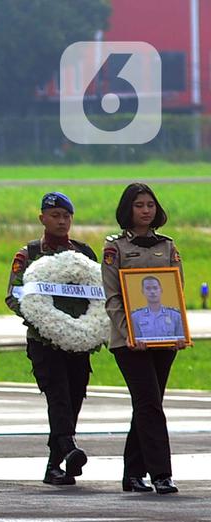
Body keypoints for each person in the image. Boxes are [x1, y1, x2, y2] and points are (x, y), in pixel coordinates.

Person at [5, 192, 97, 486]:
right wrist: (45, 322)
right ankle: (67, 448)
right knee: (58, 397)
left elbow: (99, 293)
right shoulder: (29, 254)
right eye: (55, 216)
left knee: (75, 396)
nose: (61, 221)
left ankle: (55, 463)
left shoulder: (84, 254)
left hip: (79, 339)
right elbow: (14, 296)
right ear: (42, 218)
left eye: (66, 216)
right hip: (44, 342)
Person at [102, 182, 184, 495]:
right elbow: (112, 298)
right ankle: (161, 473)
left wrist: (179, 331)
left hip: (164, 337)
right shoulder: (115, 248)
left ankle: (133, 474)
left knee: (149, 404)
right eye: (139, 205)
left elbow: (176, 292)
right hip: (129, 342)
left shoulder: (168, 245)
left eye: (150, 204)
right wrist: (129, 333)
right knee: (149, 402)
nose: (146, 210)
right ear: (128, 209)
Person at [130, 276, 185, 341]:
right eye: (148, 288)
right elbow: (136, 341)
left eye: (155, 288)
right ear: (143, 291)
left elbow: (181, 339)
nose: (152, 292)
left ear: (161, 290)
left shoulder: (175, 316)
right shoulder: (135, 317)